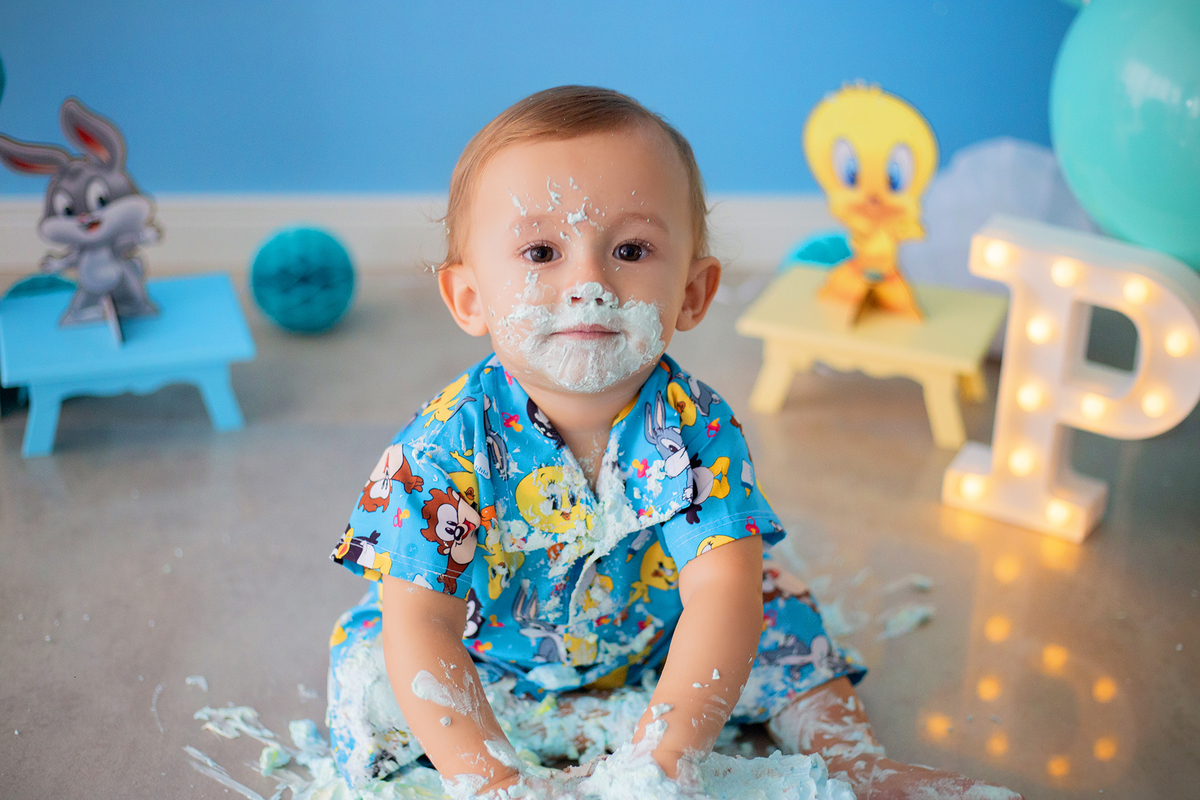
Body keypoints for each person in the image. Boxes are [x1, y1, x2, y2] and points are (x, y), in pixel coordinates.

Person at [324, 85, 1019, 799]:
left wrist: (663, 761)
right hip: (488, 659)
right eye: (542, 250)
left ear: (693, 292)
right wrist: (491, 781)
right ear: (470, 298)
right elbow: (425, 620)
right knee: (381, 664)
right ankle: (513, 759)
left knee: (769, 601)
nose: (589, 282)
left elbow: (720, 596)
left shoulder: (698, 427)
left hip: (663, 644)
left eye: (630, 249)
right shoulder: (442, 447)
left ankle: (852, 761)